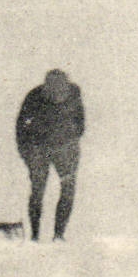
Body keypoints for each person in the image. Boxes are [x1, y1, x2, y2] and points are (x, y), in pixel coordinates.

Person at [16, 68, 85, 241]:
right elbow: (21, 127)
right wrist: (26, 152)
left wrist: (73, 140)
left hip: (65, 148)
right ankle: (35, 235)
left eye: (61, 91)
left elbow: (80, 119)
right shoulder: (34, 96)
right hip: (38, 147)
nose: (57, 96)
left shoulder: (74, 94)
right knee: (38, 190)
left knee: (67, 188)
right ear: (46, 88)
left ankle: (58, 234)